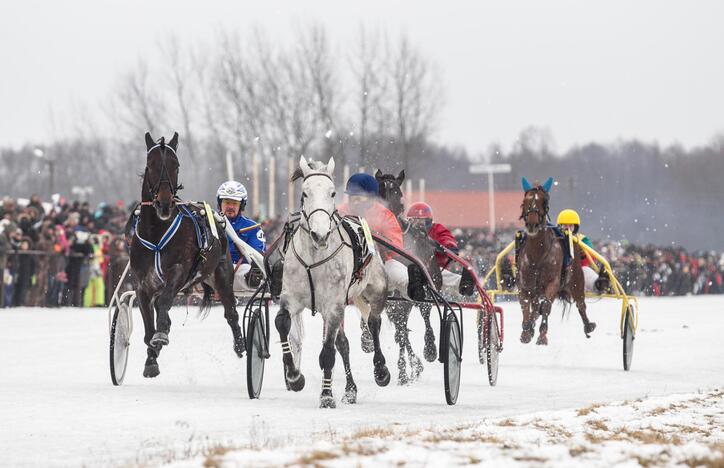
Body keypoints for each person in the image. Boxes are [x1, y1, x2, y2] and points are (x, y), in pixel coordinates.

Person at [337, 173, 408, 295]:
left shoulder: (385, 215)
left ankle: (412, 288)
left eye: (359, 197)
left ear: (371, 197)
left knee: (397, 272)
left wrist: (379, 243)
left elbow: (396, 247)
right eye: (352, 196)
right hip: (346, 265)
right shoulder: (339, 212)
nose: (354, 200)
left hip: (379, 264)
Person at [405, 202, 464, 295]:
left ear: (428, 221)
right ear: (409, 221)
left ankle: (465, 284)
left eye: (422, 221)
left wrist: (450, 246)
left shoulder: (436, 229)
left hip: (435, 268)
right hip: (410, 270)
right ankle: (417, 291)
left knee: (450, 278)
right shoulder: (406, 232)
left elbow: (445, 237)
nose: (418, 225)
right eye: (415, 221)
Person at [216, 181, 265, 291]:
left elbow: (258, 254)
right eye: (227, 202)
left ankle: (250, 280)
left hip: (239, 272)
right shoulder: (209, 223)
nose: (230, 207)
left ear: (241, 205)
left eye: (234, 203)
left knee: (247, 270)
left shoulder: (252, 227)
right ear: (220, 204)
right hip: (212, 269)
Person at [556, 209, 609, 292]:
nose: (568, 228)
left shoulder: (581, 239)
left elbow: (591, 258)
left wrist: (582, 253)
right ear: (560, 226)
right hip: (558, 270)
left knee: (584, 270)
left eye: (570, 226)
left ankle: (599, 284)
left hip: (576, 271)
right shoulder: (555, 239)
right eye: (565, 225)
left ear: (575, 227)